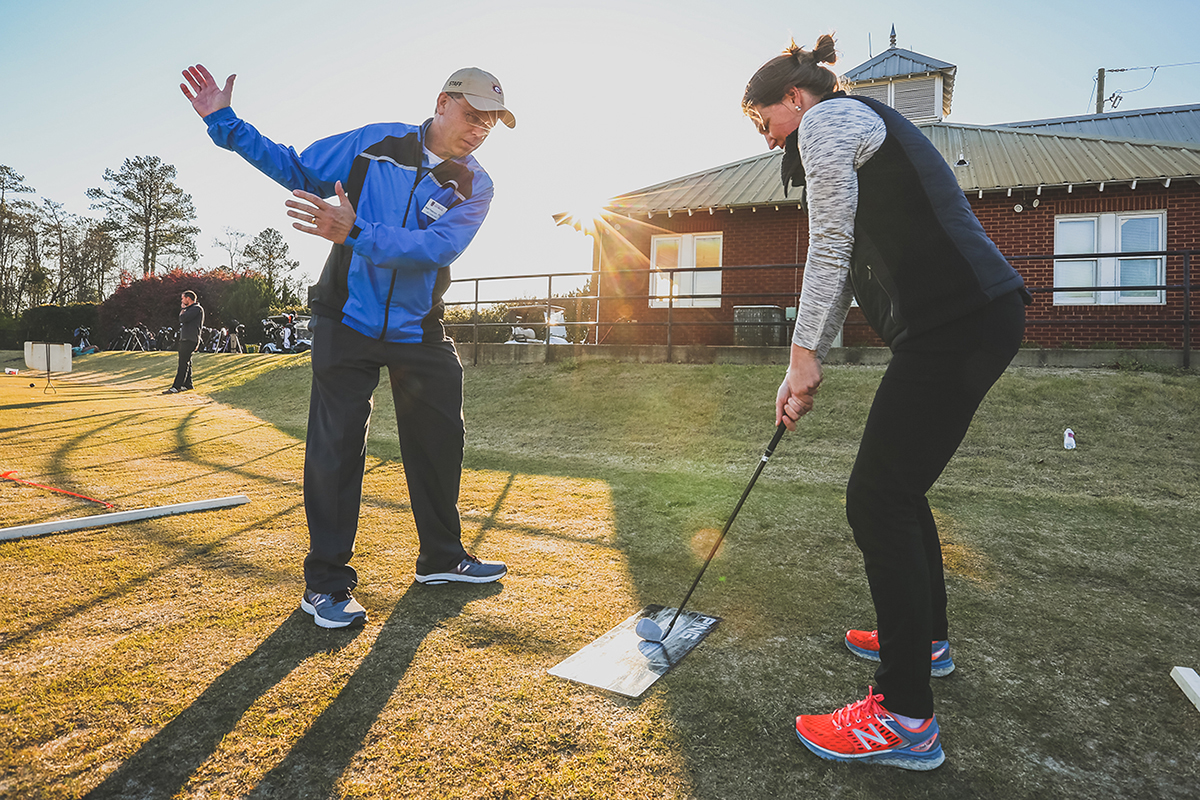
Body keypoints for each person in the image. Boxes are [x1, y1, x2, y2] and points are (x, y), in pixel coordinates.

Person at [743, 35, 1028, 771]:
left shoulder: (831, 122)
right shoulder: (845, 124)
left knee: (877, 498)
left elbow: (829, 243)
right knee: (900, 492)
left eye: (762, 116)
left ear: (796, 99)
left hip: (957, 323)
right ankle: (925, 643)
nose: (765, 133)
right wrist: (809, 356)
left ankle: (903, 718)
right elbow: (845, 253)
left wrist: (803, 353)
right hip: (964, 322)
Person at [180, 62, 516, 629]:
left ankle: (441, 558)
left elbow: (435, 249)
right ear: (441, 103)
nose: (479, 129)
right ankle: (327, 586)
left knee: (440, 443)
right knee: (336, 450)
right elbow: (296, 167)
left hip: (420, 331)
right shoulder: (374, 144)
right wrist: (225, 122)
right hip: (346, 319)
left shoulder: (476, 184)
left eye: (490, 123)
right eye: (472, 115)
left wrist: (353, 230)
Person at [164, 290, 203, 394]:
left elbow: (183, 318)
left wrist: (183, 310)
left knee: (183, 363)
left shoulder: (196, 309)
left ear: (188, 298)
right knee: (187, 362)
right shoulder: (191, 309)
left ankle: (176, 386)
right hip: (186, 339)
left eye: (183, 298)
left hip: (190, 339)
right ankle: (188, 384)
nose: (182, 300)